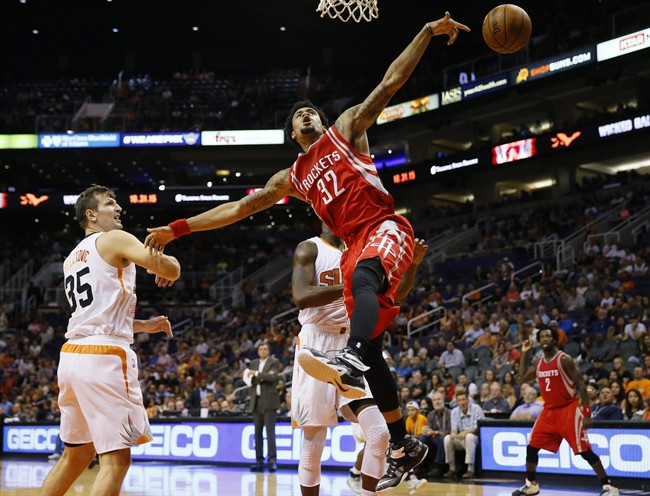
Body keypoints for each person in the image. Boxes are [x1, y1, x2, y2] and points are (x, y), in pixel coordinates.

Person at [144, 12, 470, 493]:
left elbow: (390, 82)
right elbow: (237, 208)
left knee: (359, 283)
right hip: (357, 246)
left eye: (310, 110)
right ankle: (403, 444)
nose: (306, 114)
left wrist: (423, 31)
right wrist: (177, 228)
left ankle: (351, 356)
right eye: (298, 116)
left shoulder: (345, 131)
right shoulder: (292, 178)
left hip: (382, 226)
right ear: (292, 134)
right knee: (374, 348)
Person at [39, 184, 180, 496]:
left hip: (73, 355)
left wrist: (143, 325)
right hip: (104, 357)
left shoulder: (71, 258)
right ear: (91, 214)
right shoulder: (114, 238)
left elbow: (94, 312)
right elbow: (169, 267)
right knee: (116, 459)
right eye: (110, 204)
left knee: (75, 454)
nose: (119, 209)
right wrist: (171, 264)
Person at [291, 223, 428, 495]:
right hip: (315, 340)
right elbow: (301, 296)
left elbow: (391, 296)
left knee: (379, 433)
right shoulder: (310, 248)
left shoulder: (362, 251)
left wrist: (412, 264)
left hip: (353, 343)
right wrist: (355, 286)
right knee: (314, 439)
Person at [513, 328, 619, 496]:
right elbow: (521, 379)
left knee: (584, 451)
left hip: (568, 409)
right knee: (532, 447)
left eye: (548, 335)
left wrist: (586, 414)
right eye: (542, 336)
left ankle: (609, 487)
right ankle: (531, 484)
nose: (545, 338)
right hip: (549, 411)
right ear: (539, 341)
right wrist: (524, 353)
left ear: (555, 340)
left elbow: (581, 385)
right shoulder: (539, 362)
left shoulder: (564, 359)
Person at [243, 343, 281, 472]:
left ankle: (272, 460)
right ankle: (259, 461)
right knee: (257, 434)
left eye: (265, 348)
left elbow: (272, 377)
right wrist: (260, 376)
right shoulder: (253, 363)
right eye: (260, 349)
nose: (263, 351)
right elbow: (249, 379)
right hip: (256, 402)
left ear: (269, 351)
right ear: (258, 351)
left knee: (270, 433)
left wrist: (257, 374)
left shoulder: (274, 362)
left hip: (269, 402)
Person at [443, 390, 483, 479]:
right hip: (461, 437)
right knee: (447, 438)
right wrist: (453, 433)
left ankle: (470, 469)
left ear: (468, 400)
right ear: (457, 402)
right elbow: (453, 429)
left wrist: (465, 432)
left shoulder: (476, 408)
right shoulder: (454, 411)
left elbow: (477, 428)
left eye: (464, 399)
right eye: (459, 400)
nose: (462, 402)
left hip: (475, 438)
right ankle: (452, 468)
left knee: (469, 437)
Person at [418, 391, 451, 478]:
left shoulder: (449, 413)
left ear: (443, 400)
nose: (437, 402)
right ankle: (420, 464)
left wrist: (435, 432)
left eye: (439, 399)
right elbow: (429, 429)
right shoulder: (431, 414)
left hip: (444, 438)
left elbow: (449, 431)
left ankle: (437, 466)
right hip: (434, 438)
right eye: (434, 400)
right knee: (422, 438)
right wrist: (425, 430)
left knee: (442, 438)